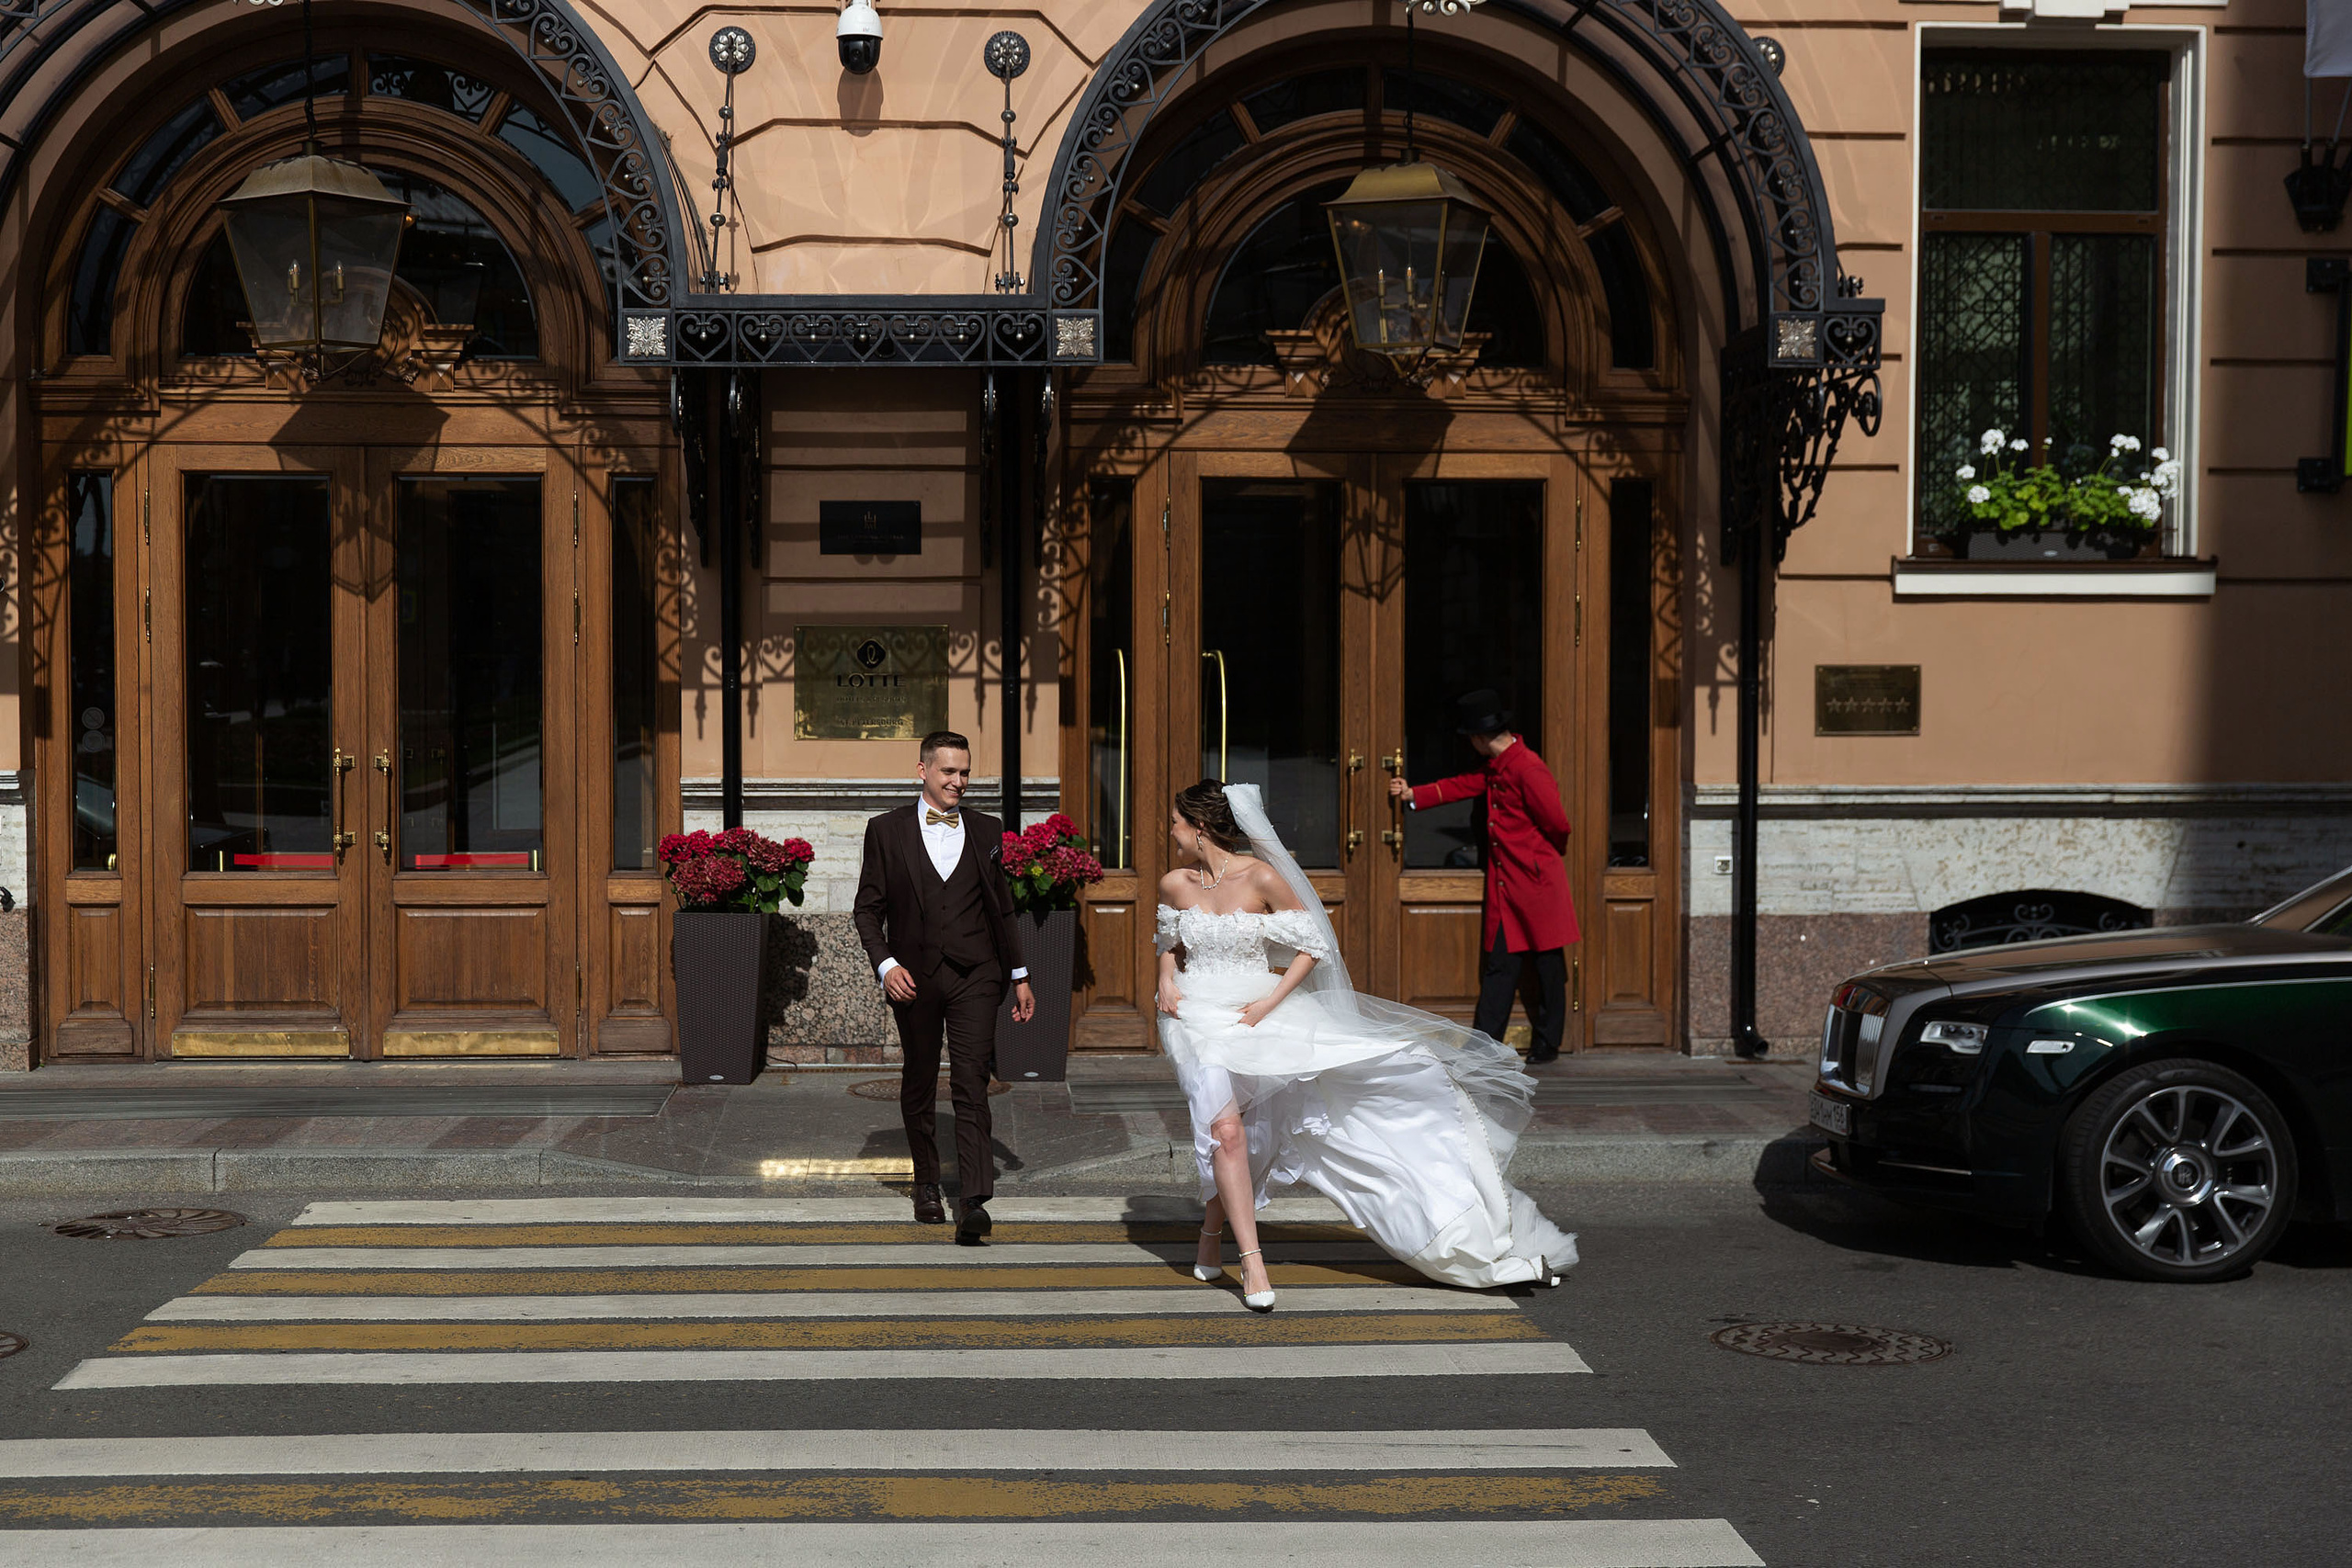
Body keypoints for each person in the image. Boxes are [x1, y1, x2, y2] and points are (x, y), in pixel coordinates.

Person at [1155, 778, 1575, 1307]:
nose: (1170, 832)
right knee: (1227, 1130)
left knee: (1244, 1131)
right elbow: (1169, 940)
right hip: (1193, 1018)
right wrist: (1167, 978)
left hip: (1255, 1012)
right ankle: (1252, 1261)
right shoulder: (1176, 882)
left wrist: (1268, 1004)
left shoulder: (1261, 876)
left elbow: (1313, 944)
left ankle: (1213, 1241)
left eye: (1175, 823)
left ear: (1199, 827)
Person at [854, 729, 1035, 1242]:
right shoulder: (885, 830)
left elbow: (1002, 908)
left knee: (971, 1081)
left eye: (965, 772)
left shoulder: (986, 828)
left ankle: (974, 1199)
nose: (959, 781)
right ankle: (927, 1182)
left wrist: (1019, 974)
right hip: (914, 978)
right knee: (919, 1079)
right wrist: (887, 965)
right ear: (923, 771)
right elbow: (867, 910)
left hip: (978, 973)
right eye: (949, 771)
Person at [1386, 689, 1579, 1065]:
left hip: (1537, 883)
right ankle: (1483, 1047)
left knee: (1548, 965)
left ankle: (1547, 1042)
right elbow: (1463, 785)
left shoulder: (1528, 767)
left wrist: (1538, 860)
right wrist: (1413, 794)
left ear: (1478, 737)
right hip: (1508, 887)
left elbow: (1559, 824)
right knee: (1501, 965)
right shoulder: (1497, 766)